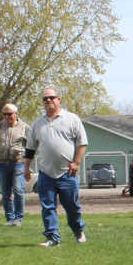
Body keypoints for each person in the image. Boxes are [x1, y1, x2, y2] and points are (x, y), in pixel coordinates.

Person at [24, 87, 88, 247]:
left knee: (72, 207)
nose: (48, 100)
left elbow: (82, 143)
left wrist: (76, 162)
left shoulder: (72, 119)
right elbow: (30, 149)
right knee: (48, 207)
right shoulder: (38, 124)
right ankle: (52, 238)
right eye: (45, 98)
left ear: (59, 99)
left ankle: (78, 231)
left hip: (67, 173)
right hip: (46, 174)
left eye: (51, 97)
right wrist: (26, 168)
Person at [0, 103, 29, 226]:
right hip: (2, 164)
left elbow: (32, 145)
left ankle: (18, 219)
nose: (7, 117)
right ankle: (10, 219)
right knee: (5, 194)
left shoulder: (24, 127)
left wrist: (26, 160)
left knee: (18, 190)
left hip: (18, 164)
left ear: (16, 114)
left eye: (9, 114)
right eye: (4, 114)